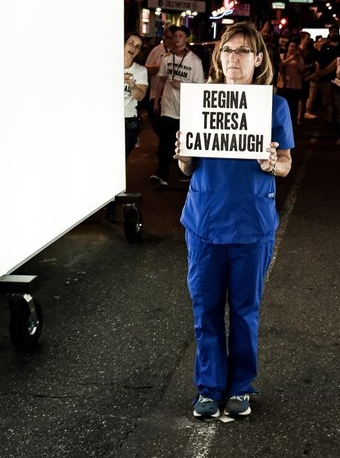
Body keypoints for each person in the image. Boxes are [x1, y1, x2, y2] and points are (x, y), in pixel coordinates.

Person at [173, 21, 295, 420]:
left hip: (250, 225)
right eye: (228, 50)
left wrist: (272, 161)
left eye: (244, 51)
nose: (235, 58)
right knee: (205, 310)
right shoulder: (202, 101)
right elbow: (188, 167)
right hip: (205, 222)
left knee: (244, 310)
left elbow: (287, 165)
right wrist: (182, 154)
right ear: (218, 57)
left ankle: (240, 386)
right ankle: (208, 388)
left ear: (258, 59)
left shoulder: (273, 106)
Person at [151, 26, 205, 186]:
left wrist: (182, 85)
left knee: (184, 142)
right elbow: (161, 79)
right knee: (165, 142)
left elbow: (199, 87)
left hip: (186, 109)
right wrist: (156, 100)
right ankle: (162, 175)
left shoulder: (195, 61)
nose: (177, 38)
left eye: (180, 35)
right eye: (175, 35)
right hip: (168, 105)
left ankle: (184, 173)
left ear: (186, 38)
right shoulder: (167, 58)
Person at [123, 32, 149, 157]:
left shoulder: (140, 71)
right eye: (131, 43)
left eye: (137, 47)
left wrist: (132, 85)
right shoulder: (106, 65)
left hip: (128, 122)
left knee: (120, 160)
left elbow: (140, 96)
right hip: (106, 119)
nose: (133, 48)